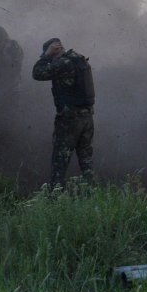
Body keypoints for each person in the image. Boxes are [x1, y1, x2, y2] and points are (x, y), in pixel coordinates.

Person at [32, 38, 95, 187]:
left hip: (70, 120)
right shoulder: (79, 60)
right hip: (87, 118)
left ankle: (55, 197)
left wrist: (46, 55)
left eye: (51, 53)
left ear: (55, 50)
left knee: (59, 162)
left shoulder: (64, 63)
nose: (50, 58)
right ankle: (92, 192)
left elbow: (37, 73)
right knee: (86, 162)